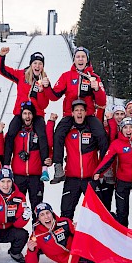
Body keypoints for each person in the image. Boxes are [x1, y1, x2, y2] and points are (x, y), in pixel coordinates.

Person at [42, 46, 107, 183]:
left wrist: (96, 88)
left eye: (83, 56)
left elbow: (102, 101)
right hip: (69, 114)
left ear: (87, 59)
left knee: (101, 134)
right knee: (59, 134)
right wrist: (47, 87)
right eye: (78, 56)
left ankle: (106, 168)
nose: (80, 59)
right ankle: (59, 168)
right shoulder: (67, 76)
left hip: (88, 114)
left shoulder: (94, 77)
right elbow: (54, 96)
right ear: (74, 59)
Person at [0, 48, 50, 181]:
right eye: (35, 63)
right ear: (31, 64)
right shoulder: (21, 75)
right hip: (20, 112)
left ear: (43, 66)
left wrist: (43, 90)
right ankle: (7, 165)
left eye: (40, 64)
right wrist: (1, 56)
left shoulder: (44, 80)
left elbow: (44, 104)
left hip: (36, 114)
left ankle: (44, 168)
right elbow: (2, 70)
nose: (37, 66)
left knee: (42, 135)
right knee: (10, 135)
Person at [94, 117, 132, 228]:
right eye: (125, 127)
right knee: (122, 212)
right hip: (122, 182)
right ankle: (122, 238)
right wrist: (98, 172)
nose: (128, 130)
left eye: (131, 127)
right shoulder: (116, 143)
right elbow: (107, 159)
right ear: (121, 129)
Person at [4, 101, 55, 221]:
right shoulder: (15, 131)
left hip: (36, 177)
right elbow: (5, 146)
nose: (27, 116)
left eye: (30, 113)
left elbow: (48, 146)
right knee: (15, 208)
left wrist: (50, 158)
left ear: (33, 115)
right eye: (25, 113)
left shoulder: (38, 131)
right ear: (21, 115)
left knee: (37, 209)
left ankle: (36, 237)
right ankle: (15, 237)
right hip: (18, 176)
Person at [59, 100, 108, 219]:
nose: (79, 113)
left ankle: (95, 237)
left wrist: (101, 170)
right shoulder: (68, 132)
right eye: (76, 110)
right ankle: (68, 237)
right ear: (72, 113)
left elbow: (105, 142)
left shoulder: (93, 131)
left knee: (97, 214)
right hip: (72, 179)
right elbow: (54, 140)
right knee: (66, 213)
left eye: (81, 110)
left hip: (90, 179)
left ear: (86, 112)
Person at [25, 202, 94, 263]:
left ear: (52, 213)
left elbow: (82, 238)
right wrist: (31, 250)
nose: (46, 217)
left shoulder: (64, 222)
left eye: (47, 213)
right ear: (39, 219)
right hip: (72, 260)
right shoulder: (36, 236)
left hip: (81, 250)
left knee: (99, 250)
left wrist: (79, 230)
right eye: (42, 214)